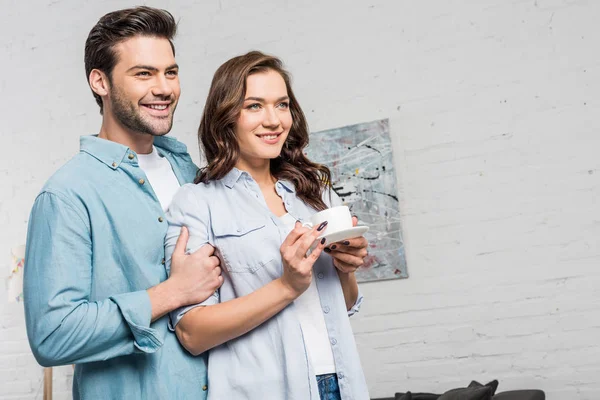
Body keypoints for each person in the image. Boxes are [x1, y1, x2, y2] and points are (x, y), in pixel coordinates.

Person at [23, 7, 221, 400]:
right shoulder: (66, 195)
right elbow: (52, 335)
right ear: (100, 81)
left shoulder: (192, 173)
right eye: (143, 73)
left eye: (171, 72)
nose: (164, 88)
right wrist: (172, 292)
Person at [165, 51, 370, 400]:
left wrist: (346, 269)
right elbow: (192, 333)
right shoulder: (197, 203)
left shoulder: (315, 192)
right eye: (254, 106)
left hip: (341, 383)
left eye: (282, 104)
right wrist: (287, 286)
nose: (274, 120)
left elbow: (344, 303)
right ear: (226, 116)